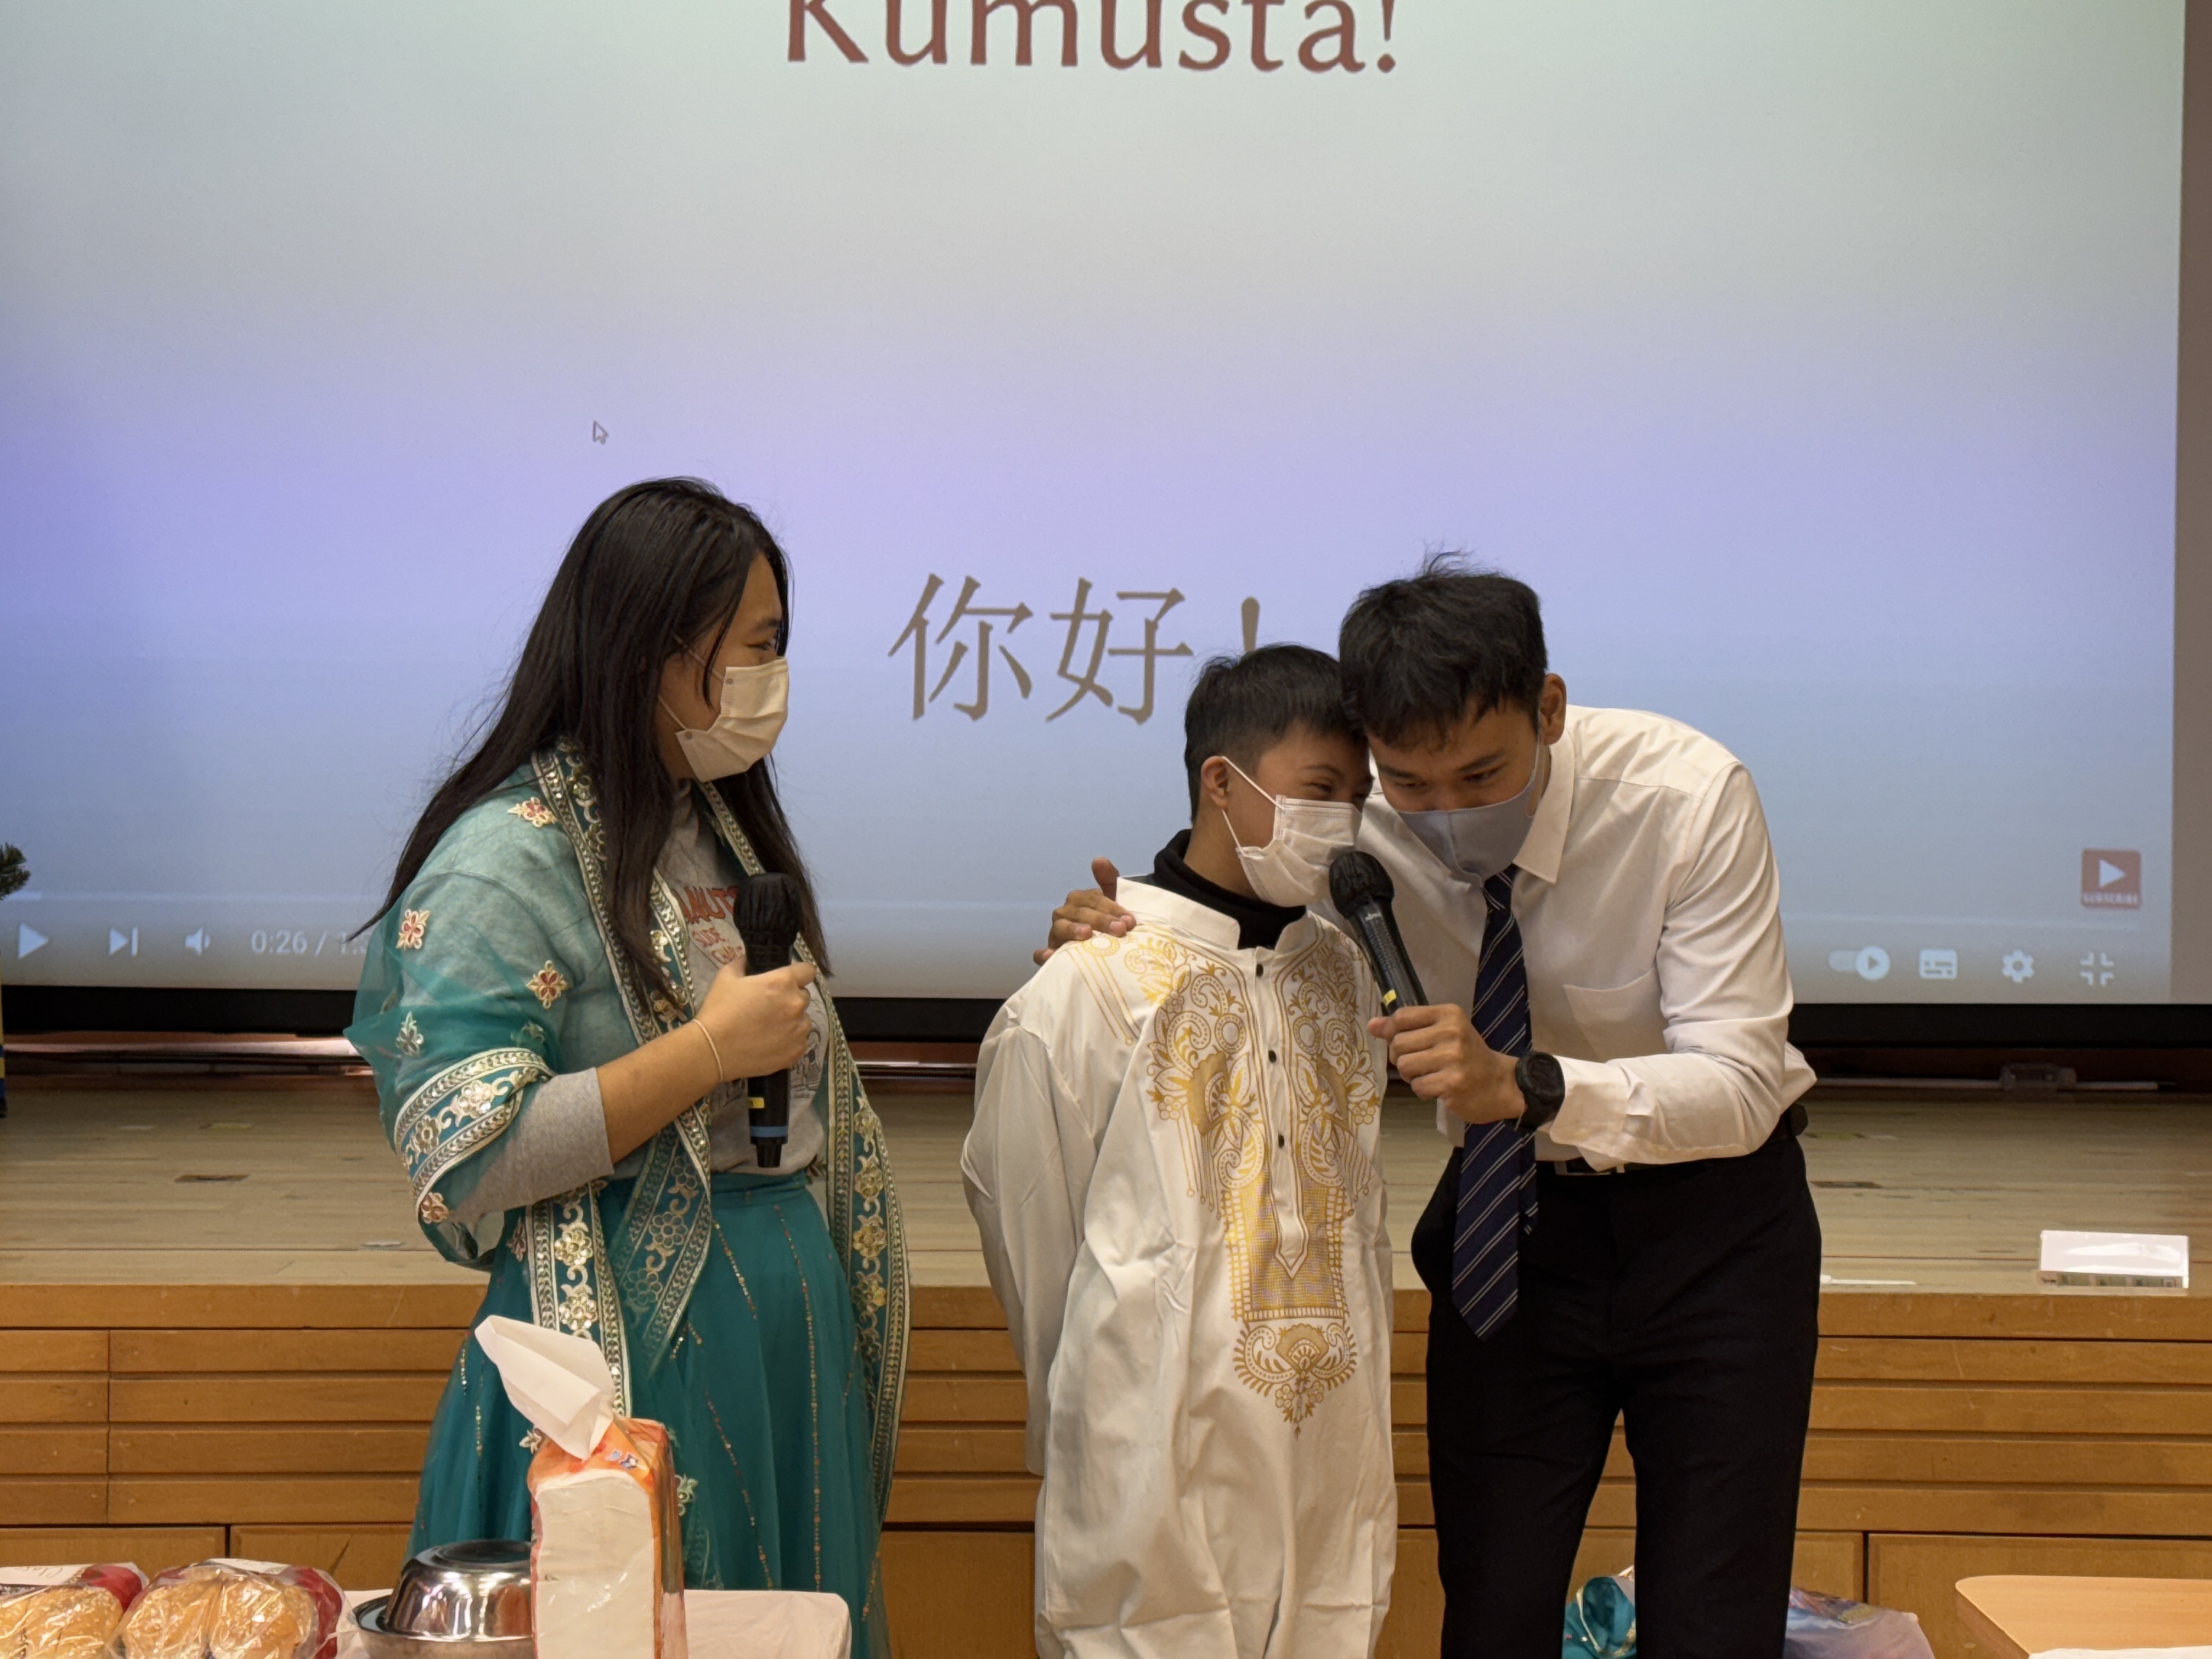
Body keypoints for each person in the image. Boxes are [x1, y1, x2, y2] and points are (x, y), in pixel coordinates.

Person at [1042, 562, 1820, 1659]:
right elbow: (1232, 895)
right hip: (1510, 1230)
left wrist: (1529, 1085)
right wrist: (1115, 923)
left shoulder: (1684, 796)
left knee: (1714, 1620)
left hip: (1717, 1236)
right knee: (1491, 1608)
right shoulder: (1361, 824)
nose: (1448, 815)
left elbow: (1740, 1083)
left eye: (1482, 775)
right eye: (1411, 784)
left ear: (1550, 709)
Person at [347, 479, 907, 1654]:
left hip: (780, 1316)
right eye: (757, 645)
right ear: (656, 649)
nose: (773, 676)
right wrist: (706, 1054)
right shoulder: (504, 861)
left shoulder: (718, 825)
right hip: (628, 1345)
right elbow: (469, 1156)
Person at [966, 645, 1398, 1659]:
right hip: (1147, 1465)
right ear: (1222, 781)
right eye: (1319, 790)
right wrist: (1094, 1410)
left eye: (1358, 798)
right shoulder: (1087, 986)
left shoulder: (1350, 974)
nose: (1341, 822)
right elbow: (1033, 1243)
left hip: (1328, 1459)